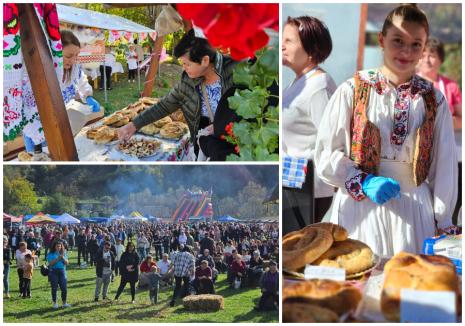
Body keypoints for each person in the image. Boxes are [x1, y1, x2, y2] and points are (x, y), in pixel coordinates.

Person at [314, 4, 458, 257]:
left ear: (424, 48)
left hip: (414, 211)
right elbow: (326, 154)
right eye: (398, 40)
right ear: (382, 40)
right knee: (359, 285)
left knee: (408, 283)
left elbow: (444, 165)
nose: (406, 50)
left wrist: (443, 218)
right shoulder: (352, 90)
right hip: (360, 207)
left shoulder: (434, 99)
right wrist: (362, 180)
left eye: (416, 44)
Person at [117, 29, 237, 159]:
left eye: (187, 64)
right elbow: (164, 105)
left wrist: (221, 126)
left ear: (205, 60)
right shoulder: (188, 81)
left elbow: (255, 107)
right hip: (206, 146)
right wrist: (133, 125)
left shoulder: (236, 70)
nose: (184, 68)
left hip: (238, 147)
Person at [282, 16, 336, 235]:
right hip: (292, 182)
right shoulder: (297, 81)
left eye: (290, 41)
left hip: (309, 190)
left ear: (311, 50)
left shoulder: (319, 86)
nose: (282, 46)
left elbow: (331, 141)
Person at [22, 30, 100, 153]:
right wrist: (37, 130)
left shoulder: (74, 67)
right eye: (69, 56)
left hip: (57, 124)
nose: (73, 60)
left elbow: (81, 80)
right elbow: (24, 107)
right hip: (35, 127)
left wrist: (87, 95)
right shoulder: (37, 72)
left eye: (76, 55)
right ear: (54, 53)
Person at [417, 38, 462, 131]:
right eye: (423, 55)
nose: (426, 60)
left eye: (431, 56)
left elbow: (462, 120)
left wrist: (447, 121)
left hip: (445, 141)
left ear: (441, 60)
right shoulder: (407, 84)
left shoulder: (451, 86)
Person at [47, 240, 70, 308]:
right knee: (54, 288)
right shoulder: (50, 254)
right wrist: (58, 258)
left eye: (60, 246)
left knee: (64, 288)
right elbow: (50, 263)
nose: (58, 247)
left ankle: (64, 303)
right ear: (54, 247)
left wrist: (62, 258)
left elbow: (67, 263)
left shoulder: (64, 252)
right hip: (53, 271)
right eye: (57, 246)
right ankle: (55, 303)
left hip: (62, 271)